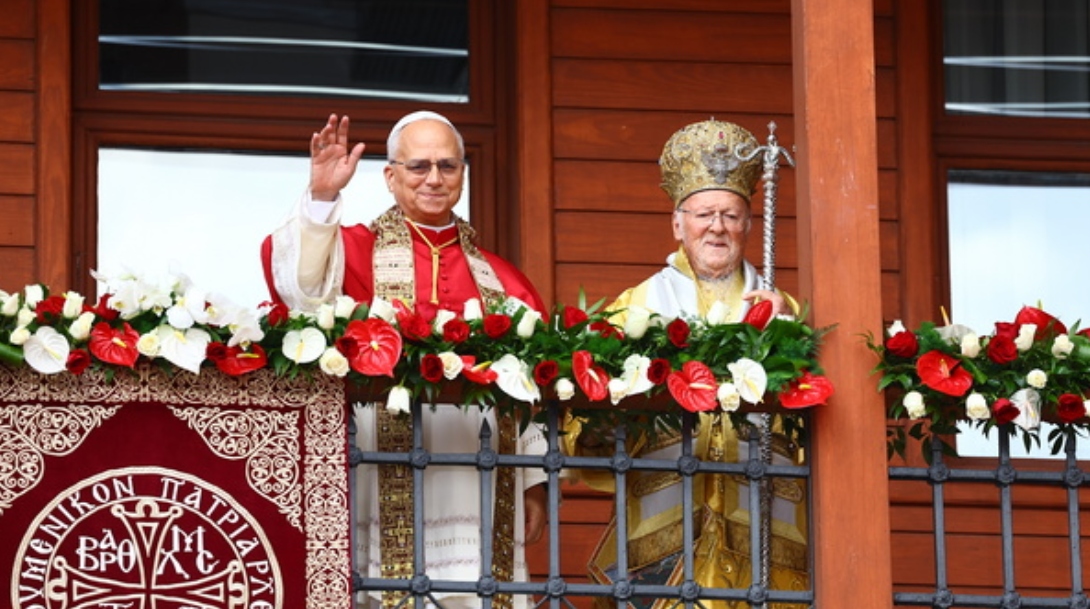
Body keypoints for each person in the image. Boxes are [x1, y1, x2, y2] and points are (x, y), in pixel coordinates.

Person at [261, 111, 549, 609]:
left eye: (447, 166)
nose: (434, 178)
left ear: (462, 174)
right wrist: (323, 196)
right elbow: (300, 292)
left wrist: (537, 482)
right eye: (418, 166)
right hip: (380, 465)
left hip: (479, 473)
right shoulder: (351, 250)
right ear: (390, 177)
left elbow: (531, 388)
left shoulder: (504, 280)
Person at [566, 119, 809, 609]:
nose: (717, 227)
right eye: (703, 214)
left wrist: (786, 334)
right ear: (678, 223)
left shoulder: (785, 310)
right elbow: (583, 424)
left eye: (731, 214)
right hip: (665, 537)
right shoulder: (636, 305)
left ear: (748, 225)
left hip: (763, 536)